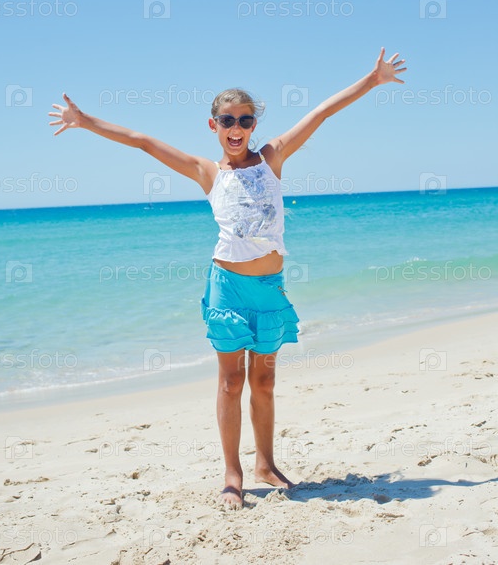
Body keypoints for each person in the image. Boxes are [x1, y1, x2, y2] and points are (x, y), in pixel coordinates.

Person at [49, 48, 406, 508]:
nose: (236, 128)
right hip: (227, 288)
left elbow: (321, 112)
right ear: (213, 125)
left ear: (253, 125)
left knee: (265, 383)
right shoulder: (207, 172)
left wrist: (372, 81)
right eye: (227, 120)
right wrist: (85, 121)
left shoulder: (273, 158)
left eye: (244, 120)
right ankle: (233, 473)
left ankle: (265, 464)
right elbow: (142, 141)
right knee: (230, 382)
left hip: (269, 290)